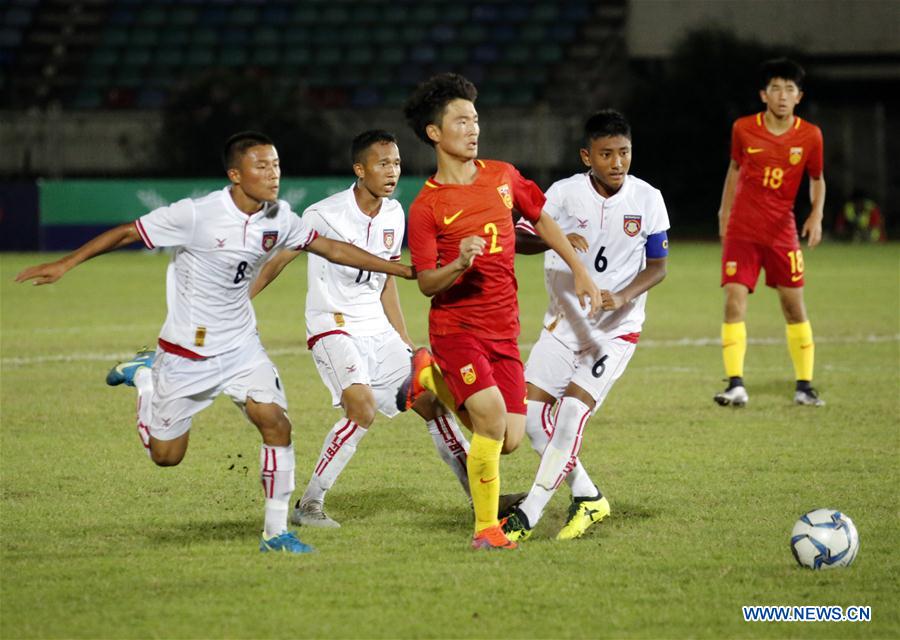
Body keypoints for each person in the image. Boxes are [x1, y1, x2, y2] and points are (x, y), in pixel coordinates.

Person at [15, 131, 417, 554]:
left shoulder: (279, 218)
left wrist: (402, 271)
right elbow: (127, 233)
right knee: (166, 456)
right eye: (261, 167)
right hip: (189, 350)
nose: (273, 174)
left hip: (242, 347)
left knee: (276, 424)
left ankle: (276, 532)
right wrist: (66, 263)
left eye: (276, 165)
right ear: (235, 175)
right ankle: (146, 380)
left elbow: (333, 249)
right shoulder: (197, 215)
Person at [403, 73, 602, 550]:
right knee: (491, 419)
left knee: (510, 438)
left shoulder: (503, 177)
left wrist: (578, 269)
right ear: (434, 133)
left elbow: (541, 219)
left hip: (503, 329)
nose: (473, 129)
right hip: (456, 327)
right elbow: (427, 282)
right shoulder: (426, 207)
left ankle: (429, 380)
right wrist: (459, 262)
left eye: (475, 120)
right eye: (461, 121)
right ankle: (487, 531)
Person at [249, 129, 473, 528]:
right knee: (362, 407)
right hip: (332, 327)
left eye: (397, 163)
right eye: (383, 164)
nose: (392, 172)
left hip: (378, 329)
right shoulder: (324, 214)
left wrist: (403, 339)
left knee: (433, 403)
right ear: (359, 169)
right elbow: (279, 260)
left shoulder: (394, 213)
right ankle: (309, 504)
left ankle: (482, 498)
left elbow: (384, 282)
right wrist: (236, 301)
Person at [504, 109, 669, 541]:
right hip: (563, 324)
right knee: (532, 419)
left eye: (624, 153)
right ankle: (589, 497)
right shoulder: (561, 194)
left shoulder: (648, 198)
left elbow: (659, 266)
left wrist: (624, 296)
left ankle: (529, 515)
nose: (617, 163)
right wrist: (553, 237)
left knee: (572, 411)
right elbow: (517, 237)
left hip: (615, 329)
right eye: (607, 154)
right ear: (587, 156)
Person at [715, 58, 826, 408]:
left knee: (794, 307)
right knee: (734, 301)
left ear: (799, 96)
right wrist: (724, 211)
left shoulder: (810, 135)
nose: (782, 95)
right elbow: (734, 169)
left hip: (782, 232)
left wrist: (817, 215)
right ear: (764, 94)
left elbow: (817, 179)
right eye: (775, 88)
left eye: (789, 89)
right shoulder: (744, 129)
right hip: (743, 231)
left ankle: (805, 387)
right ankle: (735, 384)